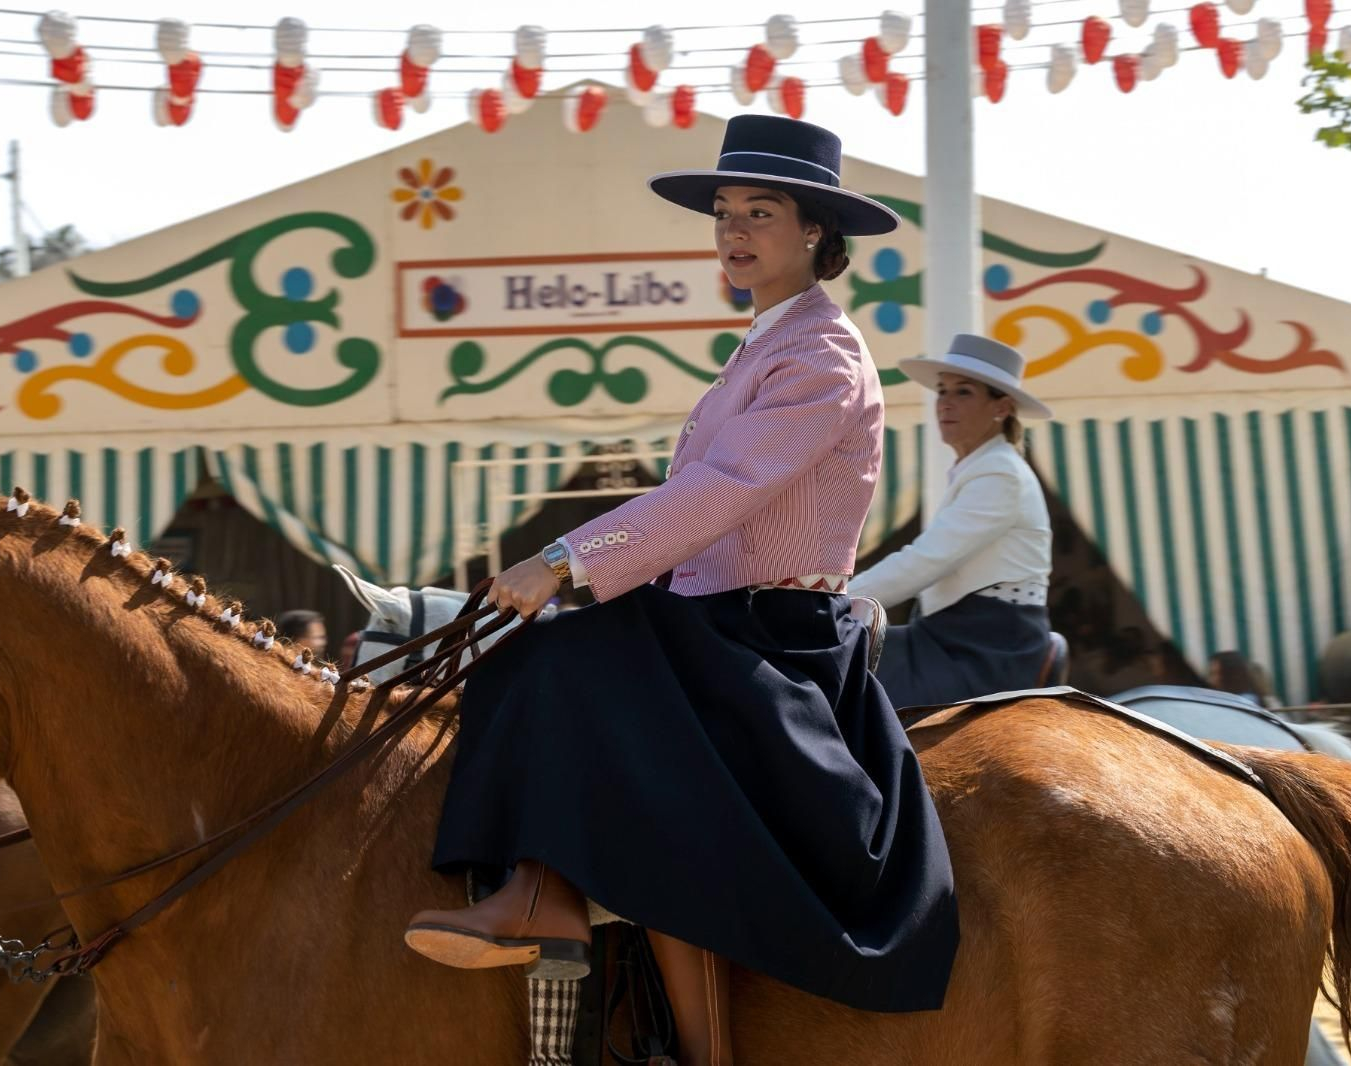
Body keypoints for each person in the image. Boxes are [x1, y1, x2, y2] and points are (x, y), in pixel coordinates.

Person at [402, 115, 958, 1065]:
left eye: (761, 212)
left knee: (563, 663)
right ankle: (543, 896)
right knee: (547, 657)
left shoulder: (821, 356)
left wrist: (564, 560)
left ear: (817, 232)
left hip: (776, 636)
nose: (734, 230)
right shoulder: (765, 345)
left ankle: (574, 928)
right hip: (720, 621)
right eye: (724, 212)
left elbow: (719, 492)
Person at [848, 335, 1054, 708]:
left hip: (987, 648)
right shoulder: (981, 467)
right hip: (949, 637)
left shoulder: (1000, 473)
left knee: (843, 673)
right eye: (942, 391)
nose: (945, 402)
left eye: (963, 392)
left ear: (1002, 407)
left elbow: (925, 561)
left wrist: (839, 601)